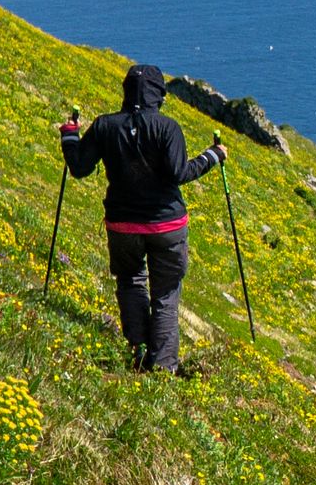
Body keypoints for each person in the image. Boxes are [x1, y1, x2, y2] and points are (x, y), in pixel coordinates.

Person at [59, 63, 225, 373]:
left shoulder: (105, 126)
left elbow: (79, 168)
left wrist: (70, 136)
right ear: (158, 95)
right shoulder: (167, 128)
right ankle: (162, 367)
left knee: (130, 282)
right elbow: (179, 174)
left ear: (126, 91)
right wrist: (213, 155)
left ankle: (136, 352)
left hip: (122, 224)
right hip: (167, 225)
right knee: (165, 293)